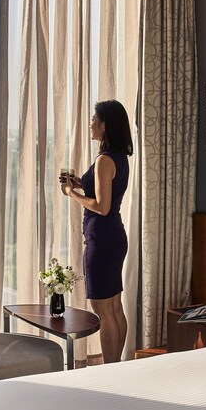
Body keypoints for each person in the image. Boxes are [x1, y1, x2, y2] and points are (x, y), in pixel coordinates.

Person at [60, 100, 132, 363]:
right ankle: (116, 366)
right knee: (114, 307)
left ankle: (108, 368)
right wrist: (83, 183)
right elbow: (107, 194)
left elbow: (102, 207)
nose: (91, 124)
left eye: (94, 119)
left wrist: (72, 193)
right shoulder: (118, 157)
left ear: (105, 125)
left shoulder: (103, 160)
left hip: (102, 238)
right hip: (114, 236)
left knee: (104, 310)